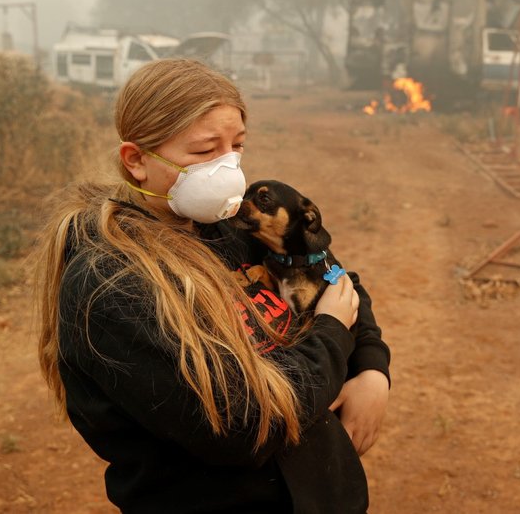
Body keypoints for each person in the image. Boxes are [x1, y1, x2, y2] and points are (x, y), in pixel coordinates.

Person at [34, 59, 390, 513]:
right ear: (137, 160)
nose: (227, 169)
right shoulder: (111, 286)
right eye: (205, 151)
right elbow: (242, 427)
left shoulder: (228, 227)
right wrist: (333, 336)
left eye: (236, 148)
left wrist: (372, 370)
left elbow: (334, 278)